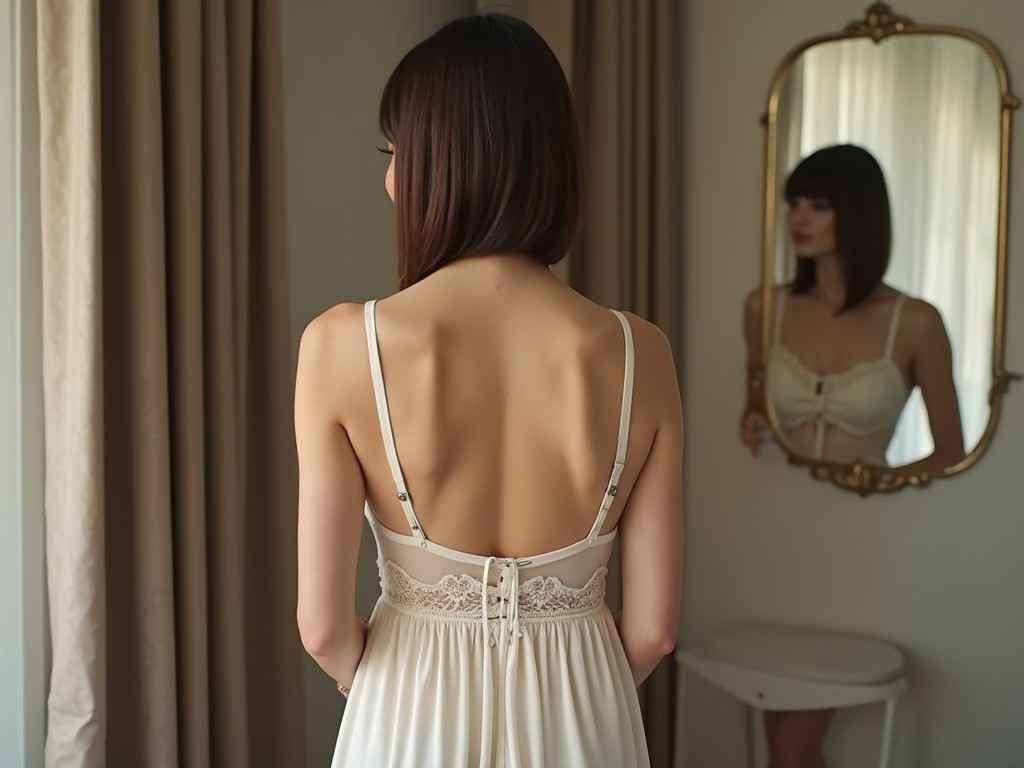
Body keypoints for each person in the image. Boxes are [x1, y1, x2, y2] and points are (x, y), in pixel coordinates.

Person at [294, 14, 683, 768]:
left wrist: (374, 686)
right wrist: (582, 691)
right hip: (584, 715)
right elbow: (655, 630)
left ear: (442, 162)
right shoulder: (640, 351)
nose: (388, 178)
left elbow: (321, 628)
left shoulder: (343, 345)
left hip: (408, 711)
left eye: (396, 152)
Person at [739, 145, 964, 767]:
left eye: (819, 204)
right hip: (778, 536)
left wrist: (876, 483)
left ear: (859, 215)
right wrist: (754, 423)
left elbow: (951, 453)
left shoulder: (915, 322)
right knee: (782, 733)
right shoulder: (764, 307)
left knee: (791, 743)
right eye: (793, 203)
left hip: (866, 541)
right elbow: (752, 413)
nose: (798, 217)